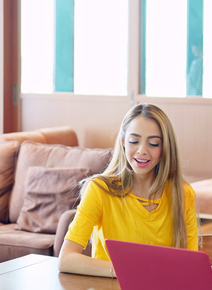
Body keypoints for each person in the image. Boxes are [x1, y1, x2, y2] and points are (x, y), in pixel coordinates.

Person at [57, 103, 199, 278]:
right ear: (124, 141)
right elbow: (66, 259)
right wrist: (124, 270)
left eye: (154, 143)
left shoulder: (182, 193)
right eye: (134, 141)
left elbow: (192, 266)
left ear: (164, 148)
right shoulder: (99, 190)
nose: (142, 151)